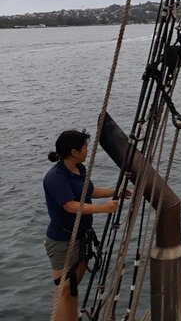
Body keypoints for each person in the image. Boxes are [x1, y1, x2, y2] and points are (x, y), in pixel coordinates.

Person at [44, 130, 122, 321]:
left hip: (82, 237)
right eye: (85, 147)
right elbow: (70, 205)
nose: (88, 150)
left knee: (72, 288)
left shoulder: (80, 169)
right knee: (63, 289)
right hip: (62, 240)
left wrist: (116, 192)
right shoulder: (55, 177)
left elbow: (90, 191)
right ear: (73, 152)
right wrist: (103, 209)